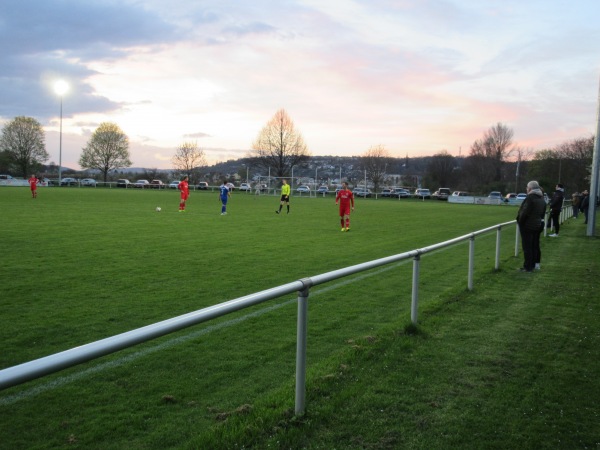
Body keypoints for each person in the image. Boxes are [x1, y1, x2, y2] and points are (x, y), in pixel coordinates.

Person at [516, 180, 546, 272]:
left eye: (527, 187)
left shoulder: (530, 198)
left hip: (528, 225)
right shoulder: (541, 198)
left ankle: (528, 267)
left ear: (530, 188)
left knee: (527, 247)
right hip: (536, 224)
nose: (526, 189)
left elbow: (524, 212)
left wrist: (520, 221)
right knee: (533, 246)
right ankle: (532, 265)